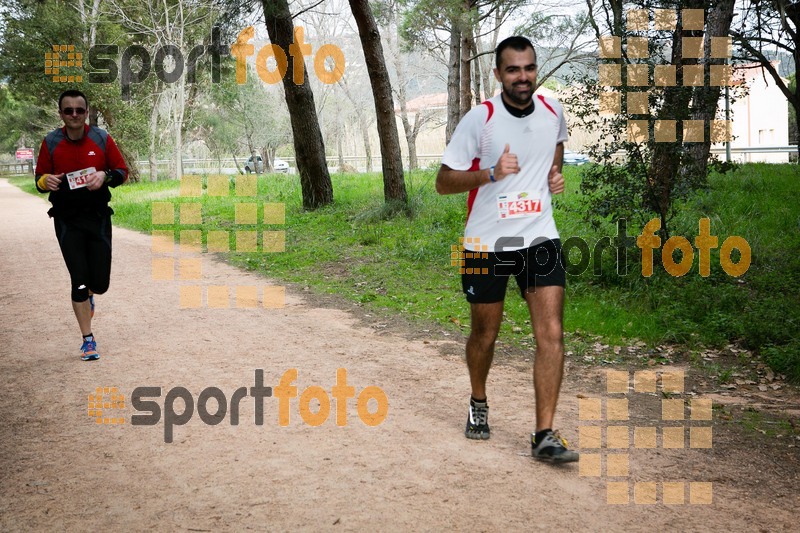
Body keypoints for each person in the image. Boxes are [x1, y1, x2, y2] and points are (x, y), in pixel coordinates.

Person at [435, 36, 578, 463]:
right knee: (485, 334)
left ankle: (544, 434)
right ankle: (478, 400)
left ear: (537, 70)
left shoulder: (554, 113)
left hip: (539, 237)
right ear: (498, 74)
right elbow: (444, 183)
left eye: (529, 68)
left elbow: (555, 160)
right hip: (486, 243)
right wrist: (490, 174)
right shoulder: (481, 120)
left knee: (551, 334)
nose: (522, 77)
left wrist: (554, 178)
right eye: (513, 70)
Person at [34, 89, 128, 361]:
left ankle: (91, 295)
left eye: (79, 110)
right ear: (61, 114)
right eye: (68, 110)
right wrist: (45, 182)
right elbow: (39, 179)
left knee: (99, 284)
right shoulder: (51, 142)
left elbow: (122, 172)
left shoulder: (101, 138)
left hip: (97, 217)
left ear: (86, 113)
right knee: (78, 280)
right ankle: (88, 339)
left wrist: (105, 175)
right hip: (66, 219)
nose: (74, 115)